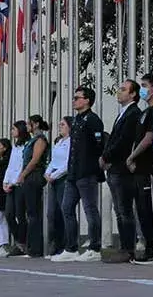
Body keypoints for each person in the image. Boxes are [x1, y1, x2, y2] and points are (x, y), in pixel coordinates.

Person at [54, 86, 105, 263]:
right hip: (73, 173)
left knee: (90, 210)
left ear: (87, 100)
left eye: (78, 98)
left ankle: (94, 248)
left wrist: (95, 165)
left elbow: (99, 145)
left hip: (87, 172)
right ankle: (71, 248)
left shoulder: (93, 120)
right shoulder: (76, 120)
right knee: (66, 207)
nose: (74, 100)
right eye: (74, 97)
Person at [102, 79, 143, 263]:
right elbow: (113, 139)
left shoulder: (133, 113)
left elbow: (124, 141)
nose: (119, 92)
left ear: (133, 94)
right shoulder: (123, 113)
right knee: (119, 209)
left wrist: (107, 157)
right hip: (114, 168)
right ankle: (125, 247)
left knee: (124, 209)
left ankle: (128, 248)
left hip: (122, 168)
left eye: (123, 89)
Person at [127, 73, 153, 263]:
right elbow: (138, 138)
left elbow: (149, 138)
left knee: (152, 209)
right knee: (142, 210)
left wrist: (132, 156)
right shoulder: (144, 113)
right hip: (139, 169)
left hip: (151, 168)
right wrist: (132, 159)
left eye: (144, 85)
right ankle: (148, 247)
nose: (141, 89)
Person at [20, 115, 51, 259]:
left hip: (34, 175)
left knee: (34, 213)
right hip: (29, 176)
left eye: (29, 124)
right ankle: (31, 246)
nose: (27, 127)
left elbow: (35, 160)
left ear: (36, 124)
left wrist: (23, 174)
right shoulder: (32, 140)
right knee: (30, 212)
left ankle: (35, 248)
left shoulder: (40, 139)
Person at [44, 117, 73, 256]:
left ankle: (66, 245)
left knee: (64, 212)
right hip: (53, 179)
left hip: (63, 179)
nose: (60, 127)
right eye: (59, 124)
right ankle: (56, 244)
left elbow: (68, 163)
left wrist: (54, 175)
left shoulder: (71, 142)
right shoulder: (59, 142)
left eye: (63, 124)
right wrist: (47, 173)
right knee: (52, 213)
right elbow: (53, 160)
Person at [2, 121, 30, 256]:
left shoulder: (26, 145)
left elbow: (21, 166)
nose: (11, 131)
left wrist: (14, 181)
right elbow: (11, 165)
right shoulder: (16, 145)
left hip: (19, 183)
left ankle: (23, 243)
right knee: (9, 214)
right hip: (10, 184)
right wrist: (5, 181)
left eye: (13, 129)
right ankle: (19, 241)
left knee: (20, 215)